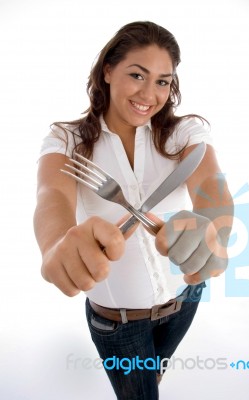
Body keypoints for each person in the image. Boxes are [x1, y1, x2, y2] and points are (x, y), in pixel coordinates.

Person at [33, 21, 234, 400]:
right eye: (137, 75)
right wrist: (55, 243)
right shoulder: (67, 139)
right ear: (108, 71)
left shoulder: (185, 132)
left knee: (152, 373)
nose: (149, 93)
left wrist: (214, 230)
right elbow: (51, 198)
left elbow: (213, 190)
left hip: (185, 300)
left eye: (162, 81)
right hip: (117, 325)